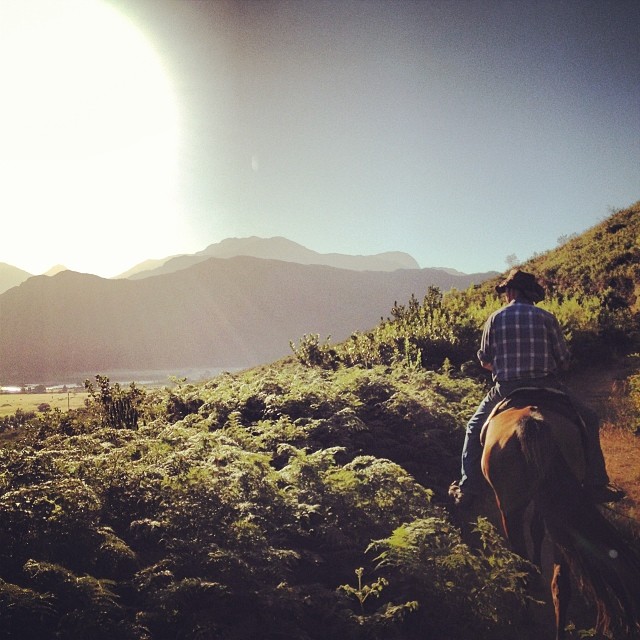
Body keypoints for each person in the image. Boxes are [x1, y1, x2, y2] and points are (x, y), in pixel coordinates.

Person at [449, 269, 624, 508]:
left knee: (473, 429)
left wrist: (503, 366)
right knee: (590, 419)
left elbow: (485, 360)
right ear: (530, 293)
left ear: (511, 291)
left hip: (507, 389)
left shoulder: (495, 318)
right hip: (546, 385)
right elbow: (563, 360)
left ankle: (468, 488)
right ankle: (597, 482)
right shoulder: (546, 317)